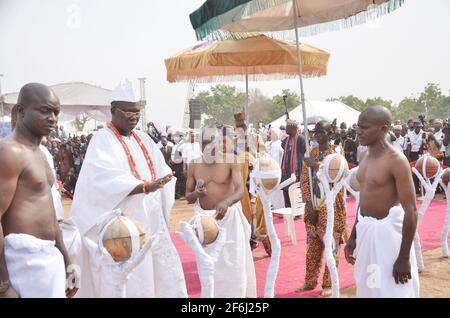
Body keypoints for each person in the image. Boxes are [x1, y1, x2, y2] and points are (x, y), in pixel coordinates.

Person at [71, 80, 187, 298]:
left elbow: (160, 169)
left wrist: (166, 179)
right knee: (132, 278)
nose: (134, 117)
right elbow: (101, 178)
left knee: (158, 270)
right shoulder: (101, 140)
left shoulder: (143, 138)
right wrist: (142, 186)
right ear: (113, 111)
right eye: (128, 112)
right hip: (121, 224)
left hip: (150, 218)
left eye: (137, 112)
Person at [0, 83, 77, 298]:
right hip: (21, 264)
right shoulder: (9, 152)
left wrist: (67, 260)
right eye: (45, 110)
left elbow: (50, 214)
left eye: (56, 112)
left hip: (46, 261)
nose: (52, 118)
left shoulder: (41, 154)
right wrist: (3, 284)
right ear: (21, 111)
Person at [345, 106, 419, 298]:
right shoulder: (364, 156)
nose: (358, 132)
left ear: (383, 128)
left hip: (390, 239)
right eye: (357, 126)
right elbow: (364, 197)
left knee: (392, 290)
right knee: (370, 288)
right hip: (367, 234)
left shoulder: (396, 160)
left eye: (365, 127)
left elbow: (411, 210)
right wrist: (354, 235)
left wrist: (403, 258)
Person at [185, 127, 256, 298]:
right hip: (205, 222)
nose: (209, 146)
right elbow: (188, 197)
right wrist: (196, 194)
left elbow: (240, 190)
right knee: (209, 266)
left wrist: (226, 202)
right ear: (199, 144)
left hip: (229, 220)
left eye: (212, 142)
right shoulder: (194, 164)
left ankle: (238, 298)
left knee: (234, 264)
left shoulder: (231, 160)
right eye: (205, 143)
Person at [296, 121, 347, 297]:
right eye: (315, 132)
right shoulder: (311, 153)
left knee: (331, 245)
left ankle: (328, 283)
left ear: (330, 134)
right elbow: (304, 180)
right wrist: (308, 203)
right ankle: (310, 281)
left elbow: (339, 175)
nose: (317, 135)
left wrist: (316, 166)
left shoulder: (337, 154)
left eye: (321, 132)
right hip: (313, 206)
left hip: (331, 206)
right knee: (312, 246)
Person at [280, 119, 306, 208]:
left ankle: (297, 210)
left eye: (287, 127)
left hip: (296, 170)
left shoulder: (301, 139)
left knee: (295, 190)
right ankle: (288, 209)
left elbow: (305, 151)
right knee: (286, 190)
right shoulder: (285, 140)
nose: (286, 129)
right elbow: (283, 148)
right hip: (286, 170)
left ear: (293, 129)